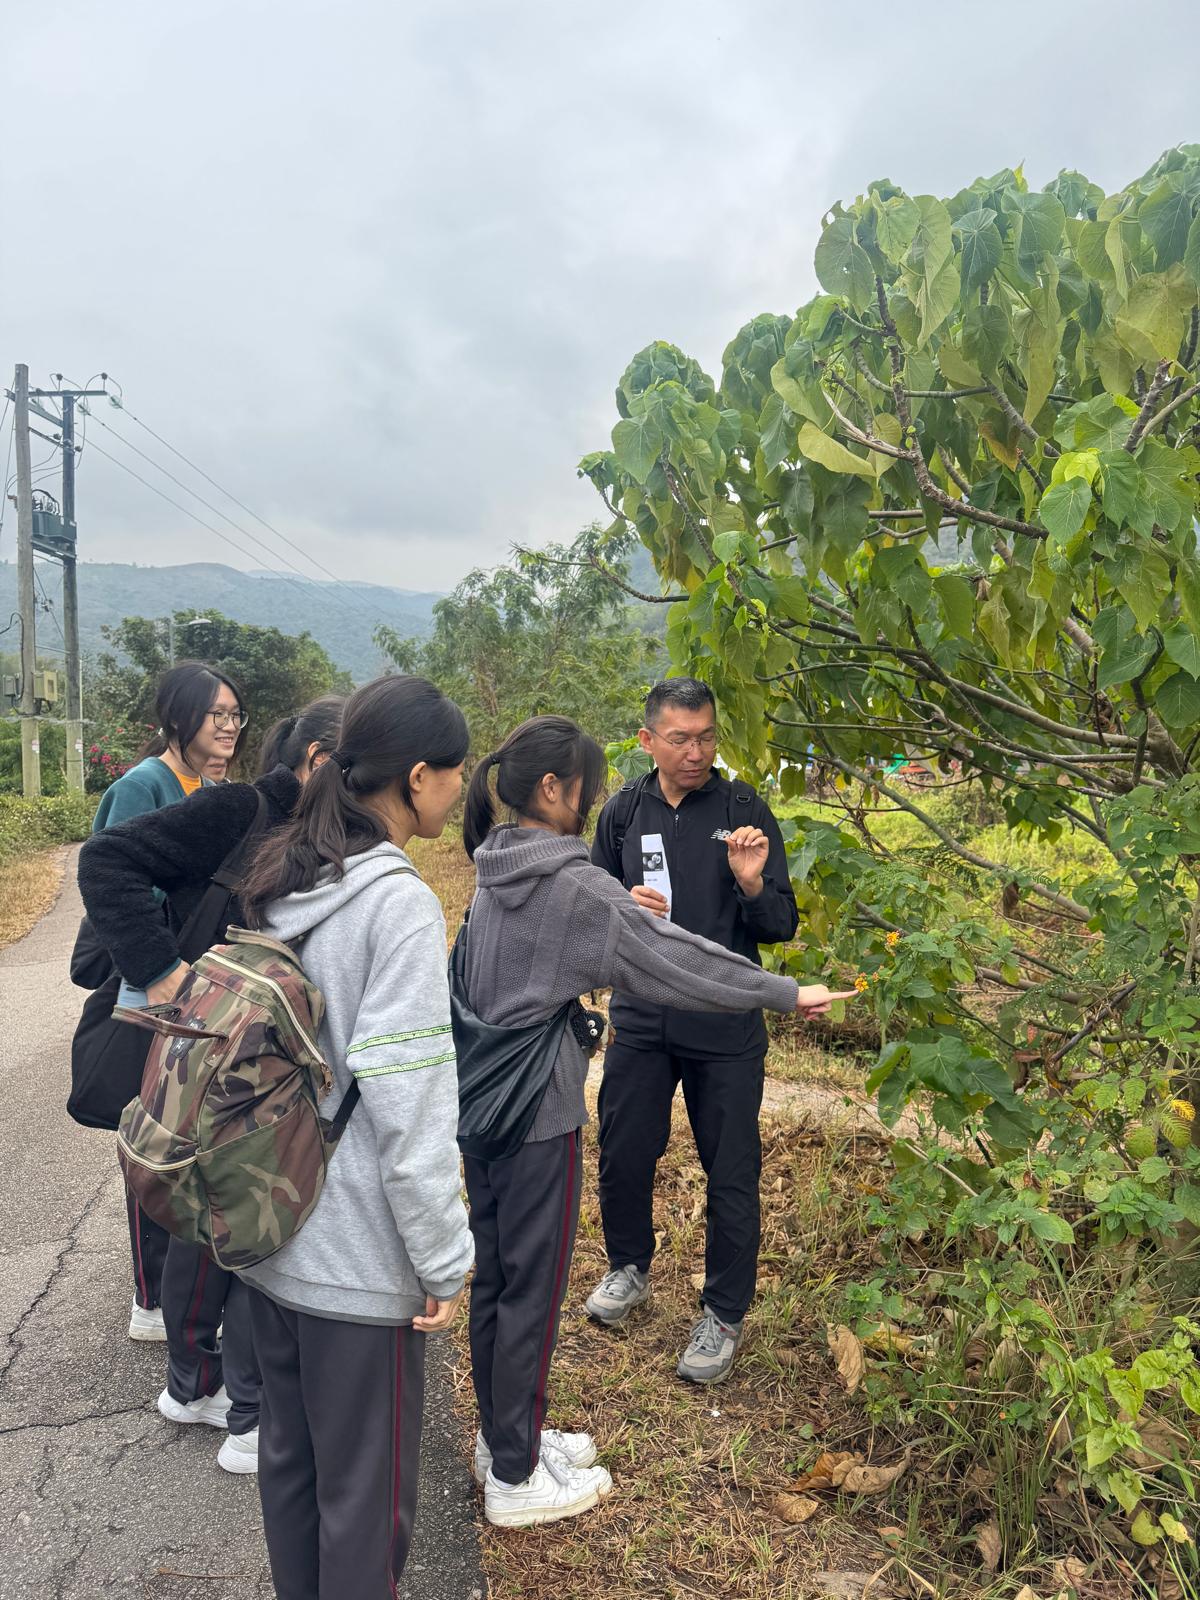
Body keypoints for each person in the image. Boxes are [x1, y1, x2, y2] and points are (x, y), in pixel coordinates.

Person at [459, 714, 847, 1529]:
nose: (696, 748)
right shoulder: (581, 873)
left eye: (707, 734)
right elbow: (678, 959)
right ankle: (515, 1479)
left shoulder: (493, 869)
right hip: (538, 1115)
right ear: (554, 790)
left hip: (484, 1107)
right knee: (530, 1292)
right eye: (585, 786)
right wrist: (785, 992)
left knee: (498, 1282)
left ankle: (507, 1440)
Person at [237, 675, 474, 1600]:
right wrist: (442, 1258)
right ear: (417, 778)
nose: (461, 788)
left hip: (272, 1230)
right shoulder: (396, 904)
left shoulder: (286, 874)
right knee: (366, 1512)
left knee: (293, 1476)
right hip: (356, 1259)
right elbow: (410, 1105)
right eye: (455, 771)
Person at [78, 697, 344, 1474]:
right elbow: (106, 862)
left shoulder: (311, 829)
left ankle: (197, 1381)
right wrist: (163, 974)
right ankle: (203, 1385)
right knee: (214, 1204)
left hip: (244, 1050)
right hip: (206, 1041)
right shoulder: (241, 809)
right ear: (320, 761)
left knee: (220, 1203)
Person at [585, 678, 801, 1384]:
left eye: (706, 737)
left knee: (731, 1172)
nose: (696, 752)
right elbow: (590, 912)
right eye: (680, 739)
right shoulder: (623, 813)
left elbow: (781, 925)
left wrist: (751, 883)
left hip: (725, 1025)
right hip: (643, 1017)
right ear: (647, 740)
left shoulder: (743, 811)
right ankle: (628, 1267)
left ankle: (723, 1313)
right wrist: (622, 905)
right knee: (623, 1152)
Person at [88, 661, 249, 1343]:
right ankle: (151, 1298)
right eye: (217, 715)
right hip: (155, 992)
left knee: (192, 1140)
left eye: (236, 715)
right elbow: (119, 885)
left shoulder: (210, 789)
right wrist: (160, 969)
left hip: (203, 989)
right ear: (177, 718)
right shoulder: (142, 786)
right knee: (153, 1141)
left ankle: (184, 1290)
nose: (230, 727)